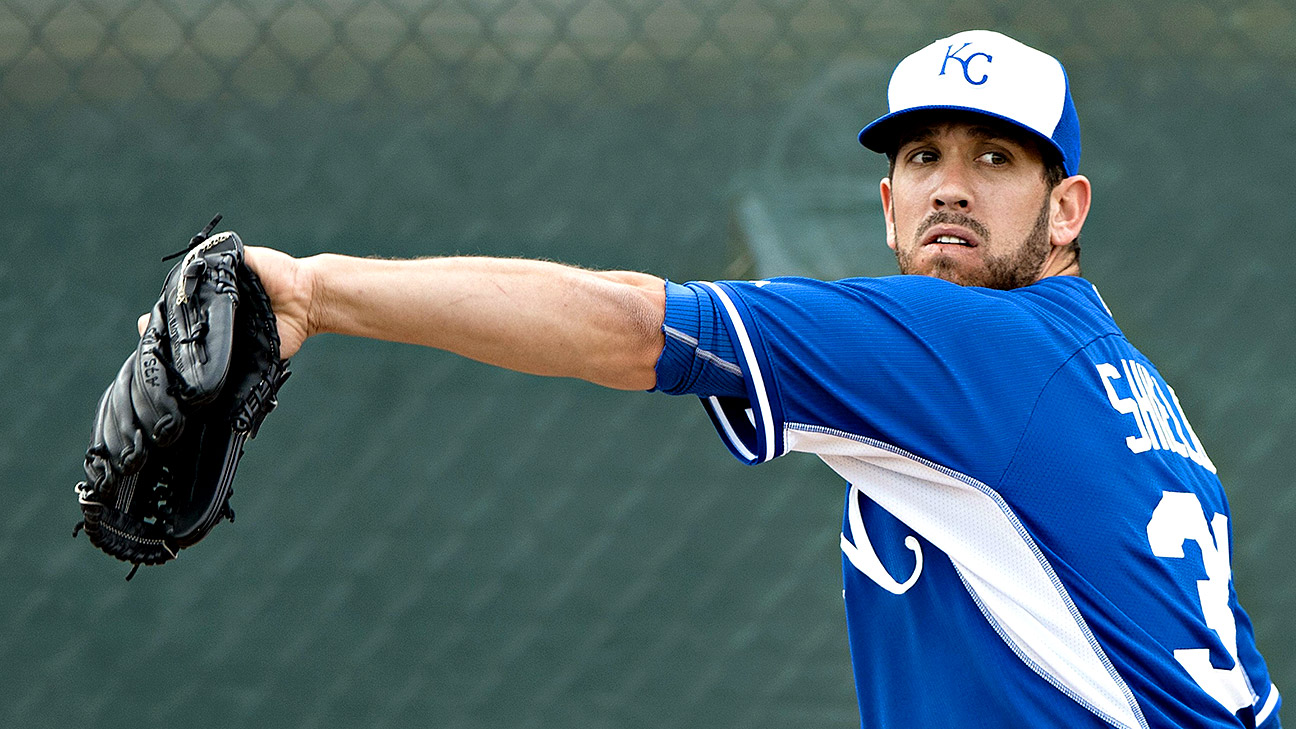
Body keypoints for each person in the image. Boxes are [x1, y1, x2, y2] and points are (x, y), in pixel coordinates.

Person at [227, 29, 1282, 729]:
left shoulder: (977, 350)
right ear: (885, 201)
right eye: (924, 157)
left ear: (1067, 210)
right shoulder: (1120, 379)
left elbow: (632, 328)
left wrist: (312, 292)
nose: (952, 187)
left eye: (997, 160)